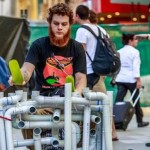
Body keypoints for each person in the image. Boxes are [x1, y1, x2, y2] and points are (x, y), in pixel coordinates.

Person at [9, 3, 86, 150]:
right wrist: (19, 77)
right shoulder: (38, 45)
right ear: (49, 23)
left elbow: (81, 78)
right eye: (56, 23)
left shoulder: (76, 47)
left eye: (64, 24)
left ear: (70, 25)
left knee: (93, 112)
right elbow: (26, 70)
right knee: (25, 112)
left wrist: (77, 92)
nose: (60, 27)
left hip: (69, 98)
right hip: (44, 100)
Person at [75, 6, 118, 141]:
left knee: (79, 102)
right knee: (103, 103)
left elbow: (80, 52)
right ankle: (112, 133)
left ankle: (80, 134)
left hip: (87, 73)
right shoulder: (101, 29)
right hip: (100, 71)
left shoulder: (82, 30)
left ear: (77, 15)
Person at [115, 33, 149, 128]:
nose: (137, 41)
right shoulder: (135, 52)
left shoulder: (119, 51)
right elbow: (136, 67)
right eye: (135, 39)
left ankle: (116, 121)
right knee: (136, 101)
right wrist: (138, 80)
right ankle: (140, 121)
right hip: (131, 80)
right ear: (130, 40)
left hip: (120, 79)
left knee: (118, 100)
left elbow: (117, 66)